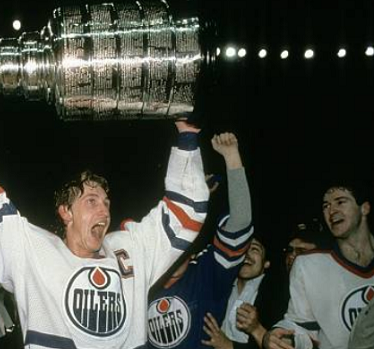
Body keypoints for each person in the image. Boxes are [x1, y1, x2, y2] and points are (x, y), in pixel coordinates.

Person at [0, 99, 209, 348]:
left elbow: (186, 213)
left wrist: (187, 138)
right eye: (91, 201)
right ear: (66, 212)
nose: (104, 211)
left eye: (106, 203)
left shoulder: (130, 251)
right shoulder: (34, 253)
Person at [146, 132, 254, 349]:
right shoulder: (141, 282)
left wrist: (231, 156)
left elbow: (240, 221)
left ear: (193, 248)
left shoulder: (206, 276)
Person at [263, 182, 374, 349]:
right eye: (326, 206)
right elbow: (303, 329)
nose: (332, 210)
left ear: (364, 208)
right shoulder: (308, 266)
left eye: (340, 202)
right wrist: (280, 337)